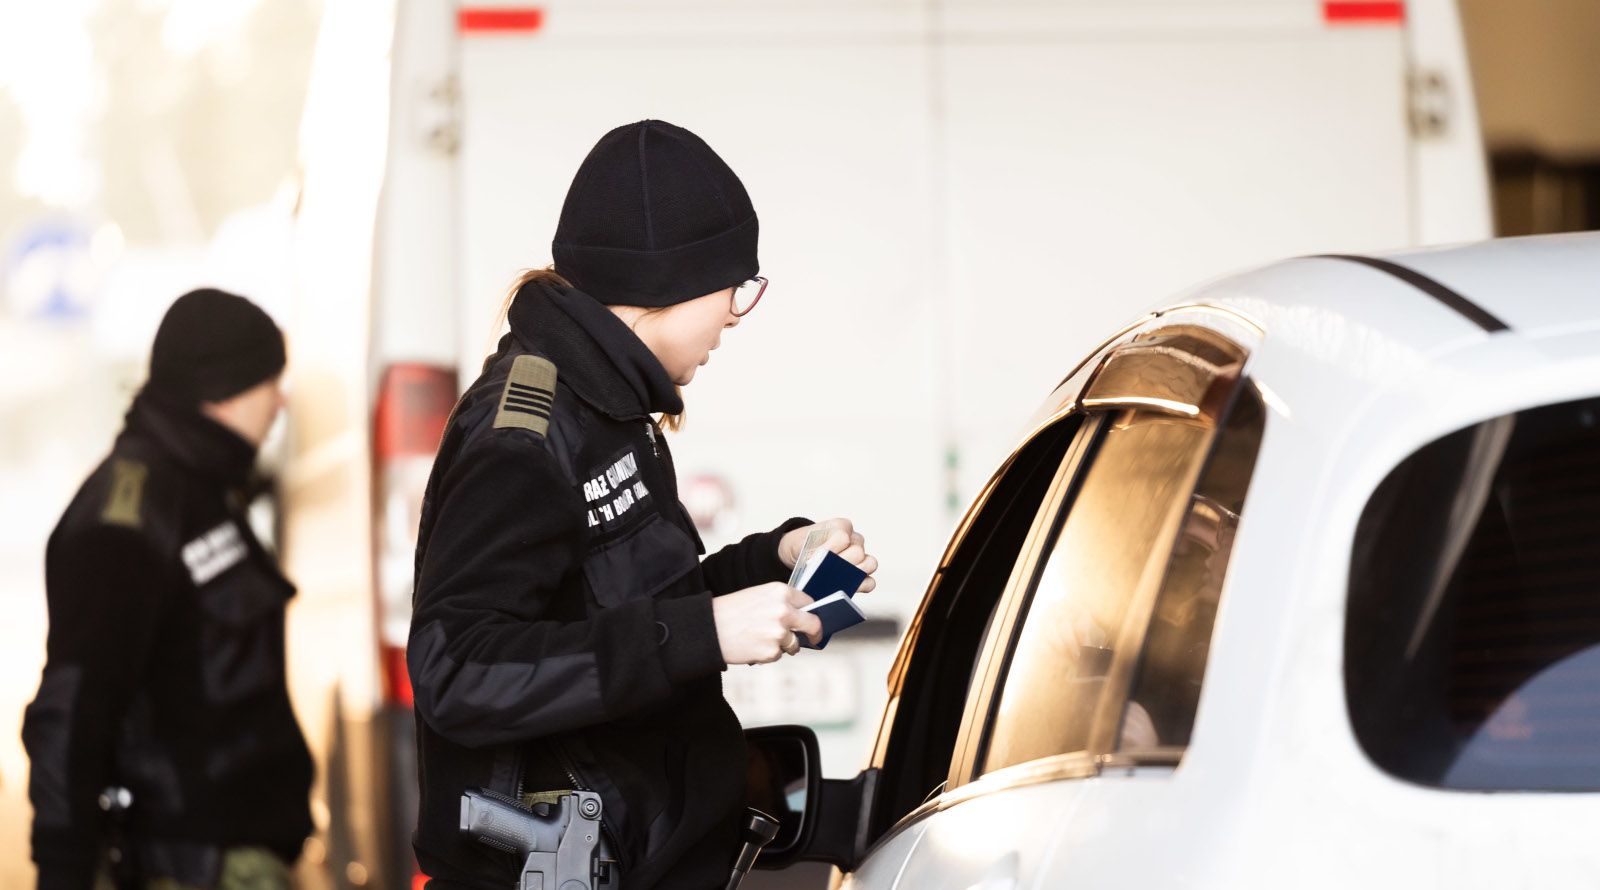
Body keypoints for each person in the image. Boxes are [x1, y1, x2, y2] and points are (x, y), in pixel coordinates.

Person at [408, 119, 878, 890]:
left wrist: (775, 559)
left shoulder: (613, 406)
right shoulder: (523, 434)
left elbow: (628, 609)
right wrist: (700, 632)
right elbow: (457, 670)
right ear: (665, 282)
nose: (734, 310)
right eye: (735, 283)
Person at [22, 289, 314, 890]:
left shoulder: (200, 487)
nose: (280, 400)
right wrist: (64, 868)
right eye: (269, 380)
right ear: (222, 387)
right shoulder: (126, 521)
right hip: (184, 865)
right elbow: (71, 712)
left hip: (232, 857)